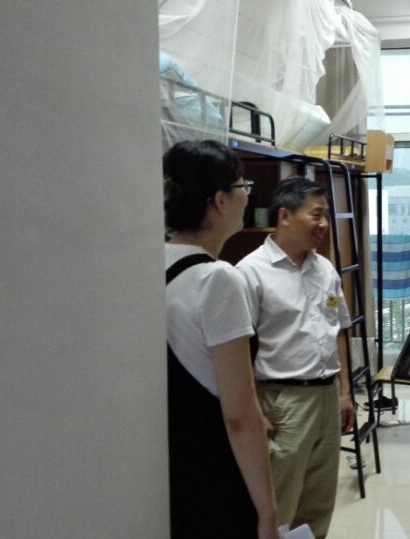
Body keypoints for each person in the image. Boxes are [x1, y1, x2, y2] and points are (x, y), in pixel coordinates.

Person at [163, 140, 278, 538]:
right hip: (213, 471)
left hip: (169, 464)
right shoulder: (218, 280)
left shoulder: (150, 261)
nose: (248, 195)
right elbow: (239, 416)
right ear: (219, 200)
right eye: (243, 185)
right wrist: (267, 514)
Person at [236, 176, 355, 539]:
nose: (324, 224)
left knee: (319, 503)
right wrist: (254, 412)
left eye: (326, 215)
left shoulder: (325, 268)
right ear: (285, 216)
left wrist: (345, 392)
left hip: (327, 397)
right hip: (283, 402)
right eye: (316, 214)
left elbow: (338, 331)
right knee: (280, 503)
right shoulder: (250, 272)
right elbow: (239, 351)